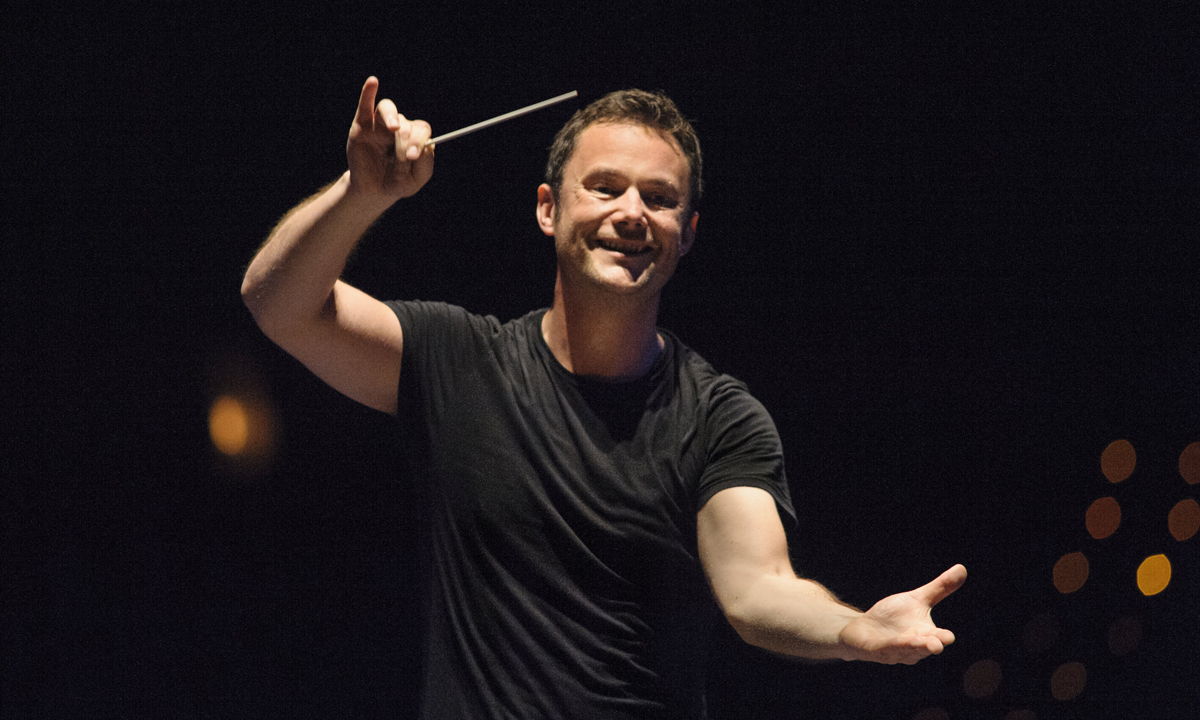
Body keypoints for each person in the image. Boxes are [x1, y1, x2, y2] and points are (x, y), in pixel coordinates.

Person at [242, 76, 967, 719]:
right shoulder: (458, 360)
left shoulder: (718, 416)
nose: (632, 213)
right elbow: (279, 304)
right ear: (548, 209)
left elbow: (757, 589)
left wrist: (855, 632)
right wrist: (361, 195)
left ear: (686, 234)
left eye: (660, 199)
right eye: (606, 187)